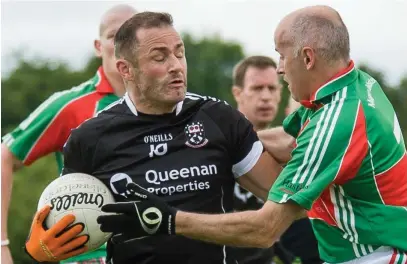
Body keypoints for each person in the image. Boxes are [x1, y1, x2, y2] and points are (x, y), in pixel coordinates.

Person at [97, 5, 407, 264]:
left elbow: (266, 229)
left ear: (308, 58)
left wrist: (168, 220)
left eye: (282, 57)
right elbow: (292, 142)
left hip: (376, 256)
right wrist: (213, 135)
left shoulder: (339, 121)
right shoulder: (356, 85)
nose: (280, 69)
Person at [25, 11, 284, 264]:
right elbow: (61, 225)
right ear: (126, 69)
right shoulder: (90, 138)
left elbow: (287, 201)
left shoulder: (218, 118)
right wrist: (42, 250)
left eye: (180, 53)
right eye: (159, 58)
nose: (175, 66)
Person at [1, 4, 137, 264]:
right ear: (99, 46)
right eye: (114, 35)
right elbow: (5, 156)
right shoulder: (70, 104)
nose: (123, 42)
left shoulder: (166, 103)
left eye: (131, 35)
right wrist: (1, 245)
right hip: (88, 256)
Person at [231, 55, 321, 264]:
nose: (265, 97)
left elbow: (293, 141)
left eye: (272, 88)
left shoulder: (290, 146)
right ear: (238, 93)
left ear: (281, 93)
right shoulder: (215, 147)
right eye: (256, 88)